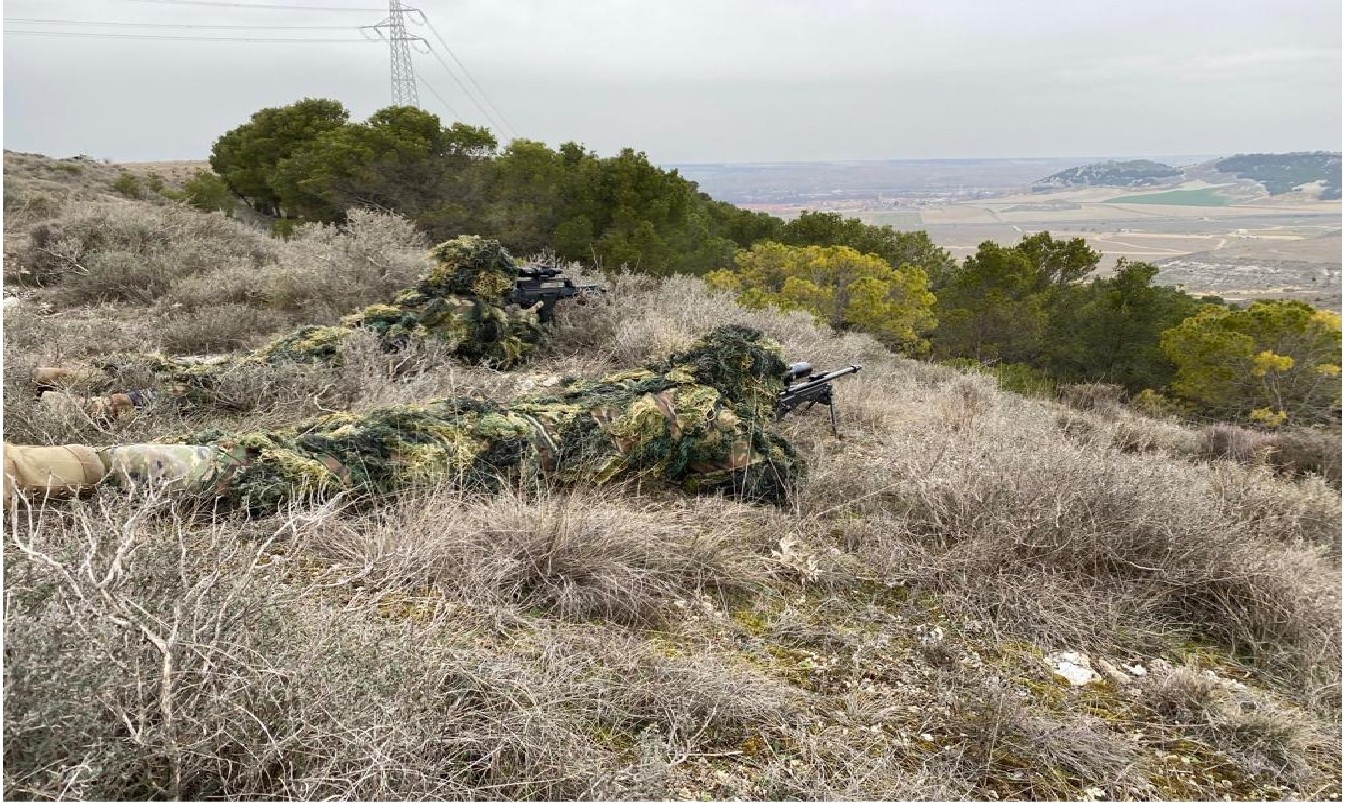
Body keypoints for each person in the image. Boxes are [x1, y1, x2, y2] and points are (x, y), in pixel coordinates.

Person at [6, 326, 805, 511]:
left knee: (283, 440)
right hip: (484, 454)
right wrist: (775, 421)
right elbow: (770, 482)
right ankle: (55, 469)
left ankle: (76, 449)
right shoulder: (709, 412)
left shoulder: (651, 383)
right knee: (286, 468)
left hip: (461, 420)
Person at [30, 236, 549, 412]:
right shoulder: (468, 311)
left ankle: (71, 373)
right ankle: (110, 404)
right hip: (341, 362)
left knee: (231, 367)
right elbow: (487, 357)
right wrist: (533, 325)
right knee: (225, 385)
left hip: (329, 341)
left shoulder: (429, 293)